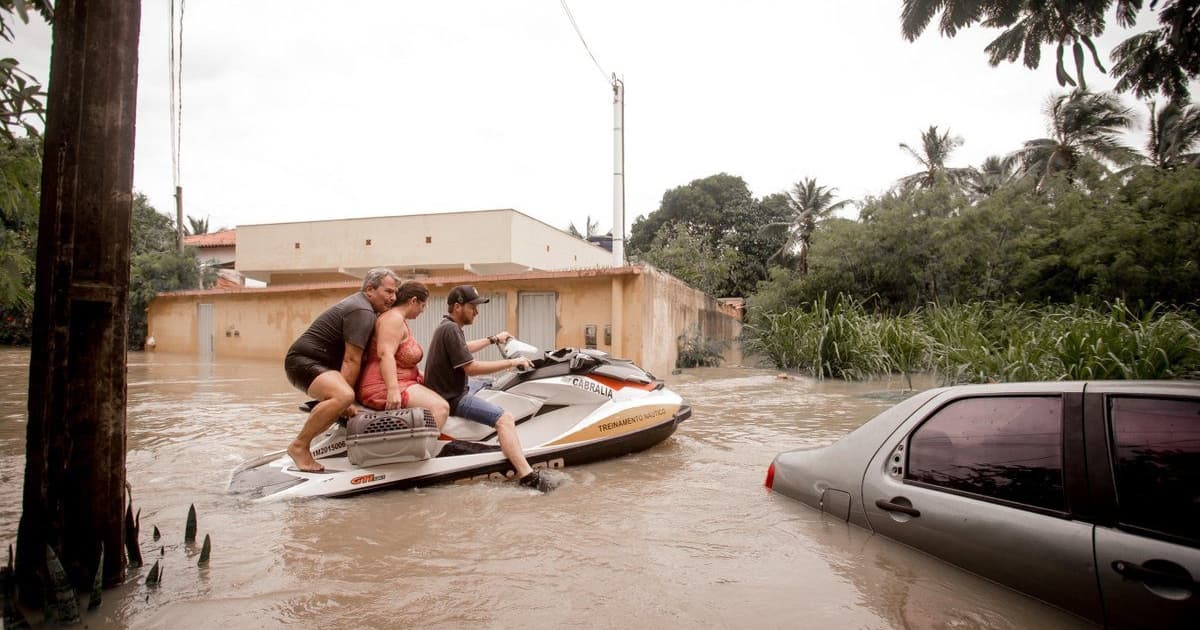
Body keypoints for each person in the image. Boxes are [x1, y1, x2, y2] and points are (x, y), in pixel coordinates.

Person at [424, 285, 550, 491]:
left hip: (453, 387)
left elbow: (464, 348)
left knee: (491, 383)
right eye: (473, 306)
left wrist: (493, 339)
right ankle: (526, 474)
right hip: (453, 397)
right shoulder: (450, 329)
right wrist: (512, 363)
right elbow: (471, 368)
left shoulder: (447, 326)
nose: (477, 312)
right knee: (505, 419)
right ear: (458, 307)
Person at [283, 267, 399, 472]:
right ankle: (299, 446)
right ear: (370, 289)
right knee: (343, 395)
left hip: (322, 366)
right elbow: (351, 360)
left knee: (346, 397)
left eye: (395, 292)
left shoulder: (366, 308)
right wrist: (347, 400)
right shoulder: (362, 311)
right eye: (388, 291)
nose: (393, 297)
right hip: (303, 362)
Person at [356, 280, 450, 428]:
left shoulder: (399, 320)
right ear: (413, 301)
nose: (423, 310)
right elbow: (385, 354)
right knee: (440, 408)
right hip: (383, 385)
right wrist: (393, 391)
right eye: (423, 305)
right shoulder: (393, 319)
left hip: (402, 381)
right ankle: (424, 451)